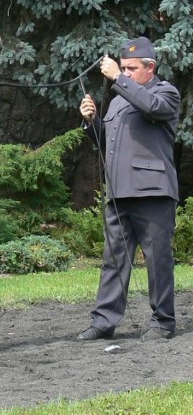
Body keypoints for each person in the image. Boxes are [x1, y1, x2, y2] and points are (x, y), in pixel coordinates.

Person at [77, 36, 181, 341]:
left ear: (150, 68)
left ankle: (163, 322)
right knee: (114, 260)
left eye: (132, 68)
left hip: (153, 192)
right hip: (119, 193)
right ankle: (103, 322)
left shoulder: (166, 93)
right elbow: (107, 143)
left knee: (157, 259)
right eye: (123, 67)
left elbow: (151, 107)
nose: (125, 72)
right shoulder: (121, 100)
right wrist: (92, 121)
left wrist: (119, 79)